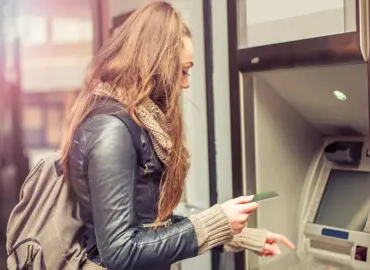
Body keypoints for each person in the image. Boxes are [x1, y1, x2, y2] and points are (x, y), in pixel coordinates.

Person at [59, 1, 294, 269]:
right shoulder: (112, 129)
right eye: (183, 71)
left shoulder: (134, 123)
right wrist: (214, 222)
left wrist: (234, 234)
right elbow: (120, 250)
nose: (186, 82)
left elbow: (149, 225)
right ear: (156, 65)